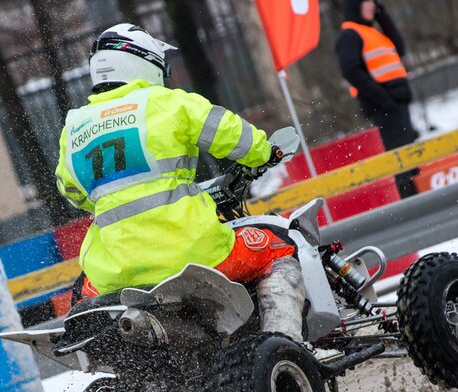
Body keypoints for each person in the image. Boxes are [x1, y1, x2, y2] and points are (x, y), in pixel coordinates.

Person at [55, 24, 305, 341]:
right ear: (144, 63)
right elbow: (233, 134)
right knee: (280, 246)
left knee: (86, 290)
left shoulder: (74, 127)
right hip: (192, 254)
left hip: (116, 273)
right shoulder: (166, 102)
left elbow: (72, 192)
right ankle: (286, 344)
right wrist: (265, 152)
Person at [336, 0, 419, 151]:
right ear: (355, 6)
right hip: (383, 107)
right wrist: (384, 98)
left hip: (397, 102)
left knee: (409, 153)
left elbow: (399, 49)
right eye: (367, 1)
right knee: (400, 156)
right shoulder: (350, 35)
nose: (372, 5)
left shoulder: (372, 32)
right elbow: (351, 71)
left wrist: (382, 17)